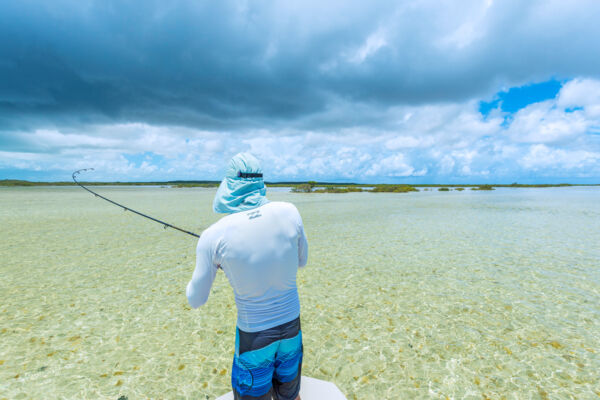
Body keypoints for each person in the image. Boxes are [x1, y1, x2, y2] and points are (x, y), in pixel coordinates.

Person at [186, 152, 308, 400]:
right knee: (291, 396)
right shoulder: (290, 211)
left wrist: (221, 263)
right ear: (261, 181)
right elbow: (301, 261)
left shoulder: (213, 235)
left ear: (229, 184)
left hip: (255, 337)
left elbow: (195, 299)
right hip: (292, 325)